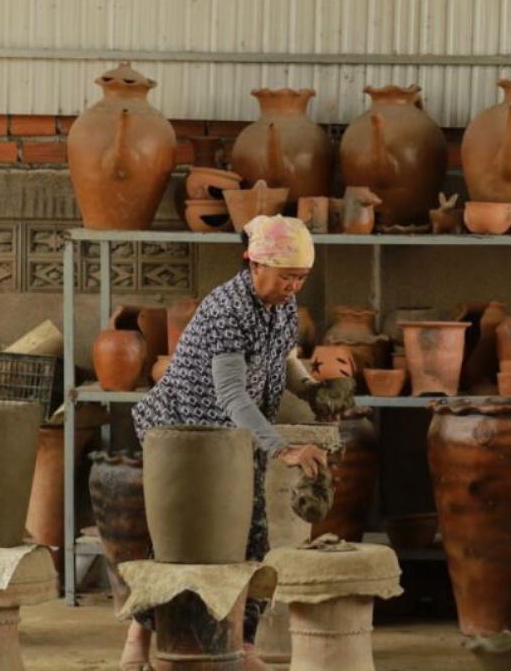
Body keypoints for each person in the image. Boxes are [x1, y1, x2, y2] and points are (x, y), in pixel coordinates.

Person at [121, 215, 352, 671]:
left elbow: (282, 358)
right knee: (177, 544)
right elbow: (231, 394)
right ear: (255, 264)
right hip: (184, 435)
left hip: (233, 438)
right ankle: (137, 645)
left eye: (301, 278)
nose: (293, 287)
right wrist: (283, 448)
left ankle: (243, 645)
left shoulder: (281, 307)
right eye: (286, 276)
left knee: (252, 537)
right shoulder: (227, 309)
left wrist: (310, 389)